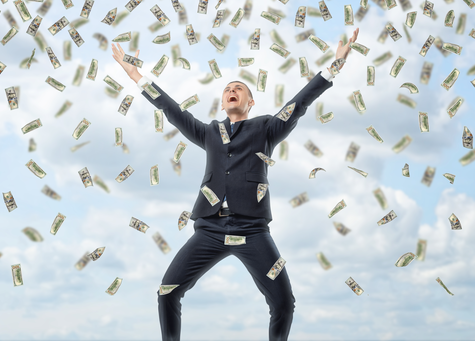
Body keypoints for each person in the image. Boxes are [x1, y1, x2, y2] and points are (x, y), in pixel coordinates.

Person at [110, 28, 359, 341]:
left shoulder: (266, 127)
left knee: (283, 303)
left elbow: (300, 102)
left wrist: (334, 66)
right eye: (227, 88)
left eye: (239, 88)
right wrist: (136, 75)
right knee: (167, 292)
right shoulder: (209, 132)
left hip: (252, 230)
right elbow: (171, 110)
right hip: (210, 230)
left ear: (250, 101)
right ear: (222, 101)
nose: (232, 90)